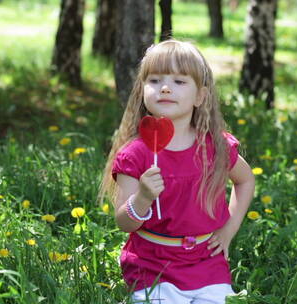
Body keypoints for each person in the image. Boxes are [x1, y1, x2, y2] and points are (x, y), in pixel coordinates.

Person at [99, 39, 255, 303]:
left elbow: (245, 180)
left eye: (180, 82)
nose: (166, 88)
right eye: (155, 80)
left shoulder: (215, 146)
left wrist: (228, 229)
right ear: (142, 91)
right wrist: (143, 198)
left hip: (207, 263)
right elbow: (124, 222)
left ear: (200, 97)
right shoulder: (135, 154)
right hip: (152, 265)